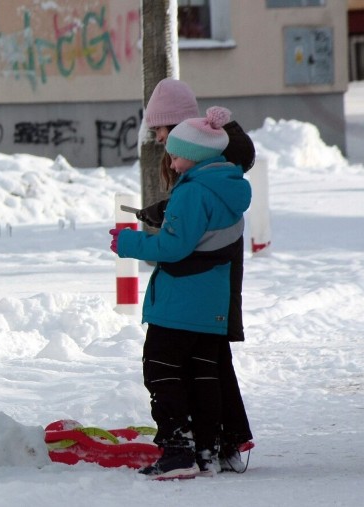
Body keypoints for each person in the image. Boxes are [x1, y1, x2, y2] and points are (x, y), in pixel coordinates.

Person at [110, 107, 252, 480]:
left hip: (180, 303)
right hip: (211, 304)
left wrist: (128, 242)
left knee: (161, 369)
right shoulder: (230, 189)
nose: (171, 164)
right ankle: (208, 449)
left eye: (174, 155)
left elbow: (174, 248)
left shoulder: (193, 193)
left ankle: (177, 450)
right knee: (205, 373)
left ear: (196, 153)